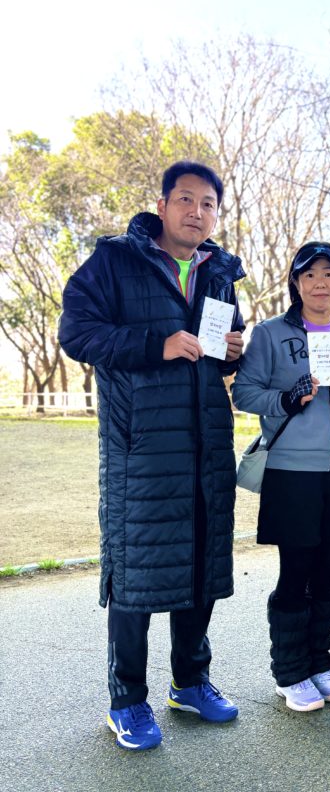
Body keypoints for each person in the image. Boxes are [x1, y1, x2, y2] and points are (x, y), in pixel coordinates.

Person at [59, 161, 245, 750]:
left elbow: (222, 350)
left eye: (208, 204)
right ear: (162, 206)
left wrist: (233, 350)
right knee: (136, 574)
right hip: (139, 448)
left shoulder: (220, 272)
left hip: (206, 444)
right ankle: (127, 700)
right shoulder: (115, 261)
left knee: (201, 564)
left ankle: (190, 682)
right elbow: (76, 333)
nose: (197, 212)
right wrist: (154, 344)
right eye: (186, 199)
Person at [231, 242, 330, 712]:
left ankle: (318, 664)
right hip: (291, 471)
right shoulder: (270, 334)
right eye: (309, 275)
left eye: (329, 274)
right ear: (296, 283)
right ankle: (289, 673)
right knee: (295, 574)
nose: (319, 283)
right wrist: (285, 400)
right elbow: (244, 393)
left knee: (327, 574)